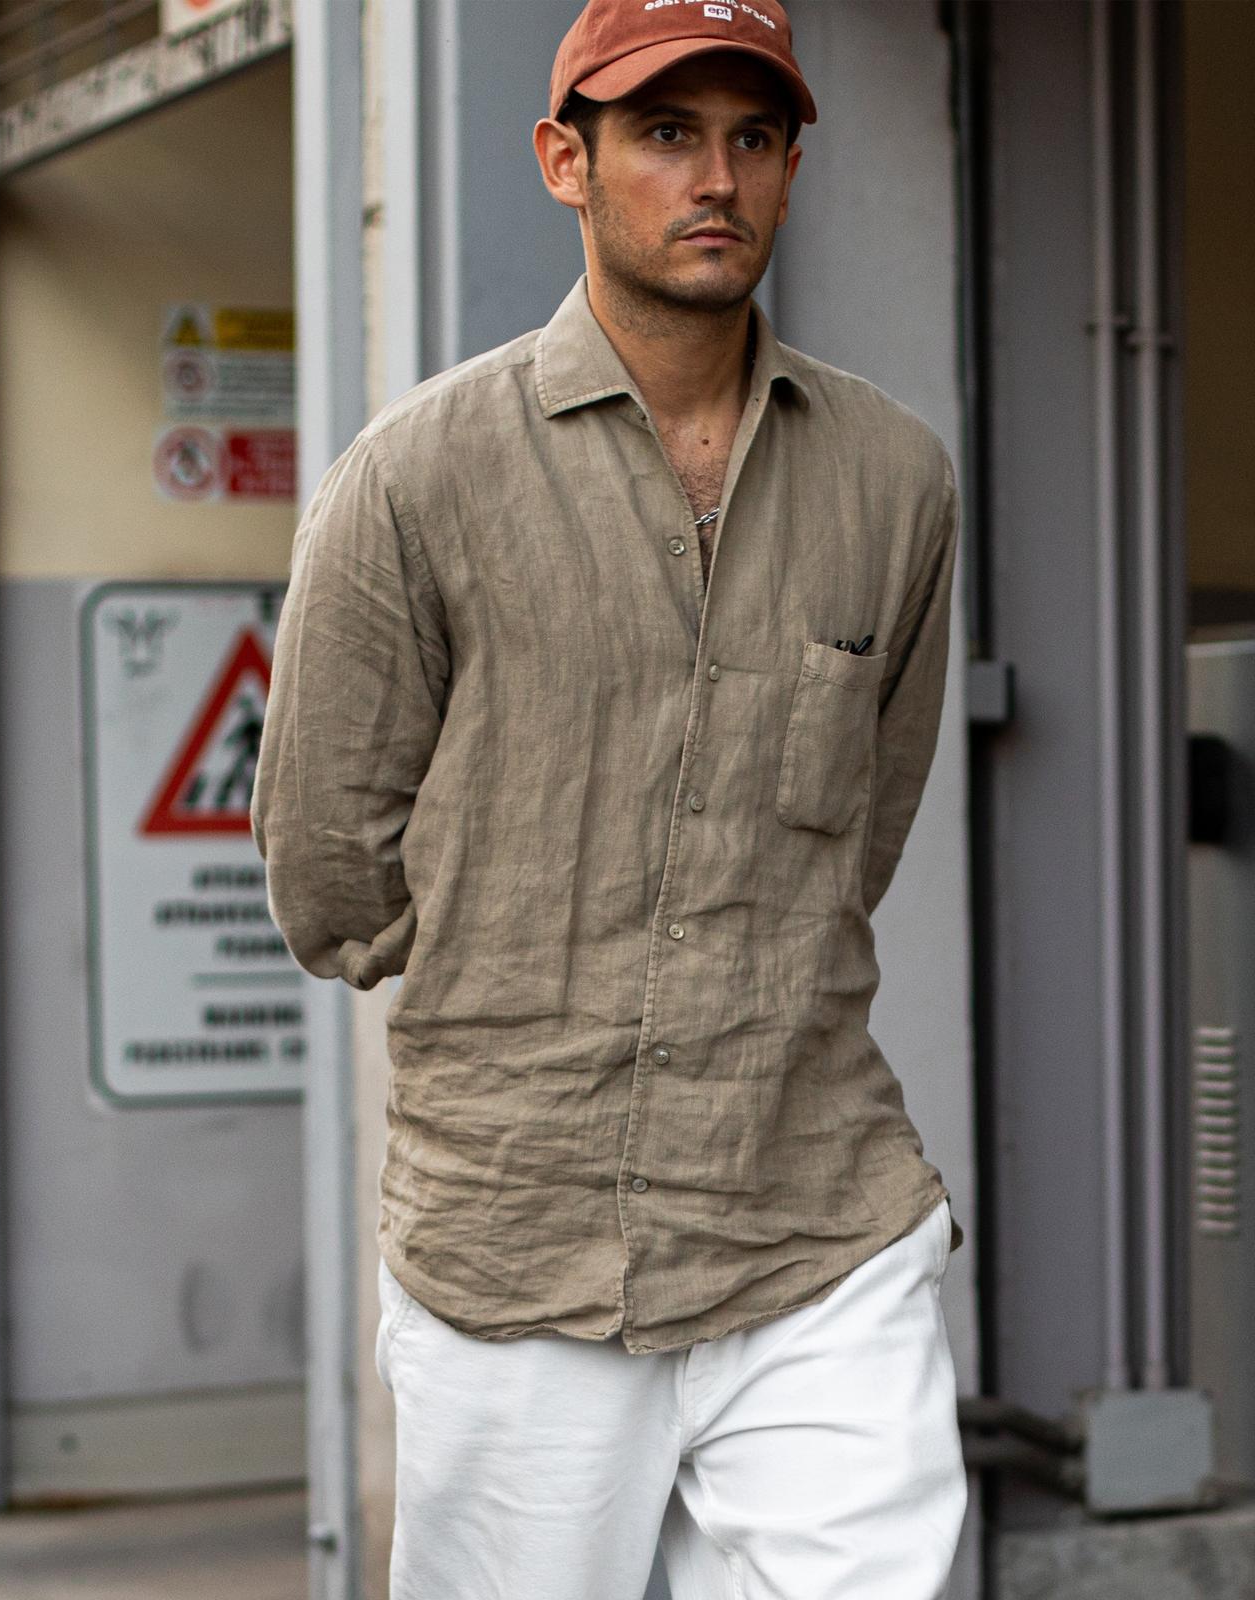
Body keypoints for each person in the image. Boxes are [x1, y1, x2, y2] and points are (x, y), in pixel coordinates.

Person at [252, 0, 968, 1594]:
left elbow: (866, 820)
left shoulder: (895, 478)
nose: (714, 176)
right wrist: (527, 972)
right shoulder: (417, 477)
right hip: (519, 1245)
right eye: (664, 133)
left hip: (815, 1225)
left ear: (789, 169)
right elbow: (325, 873)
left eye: (753, 137)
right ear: (563, 161)